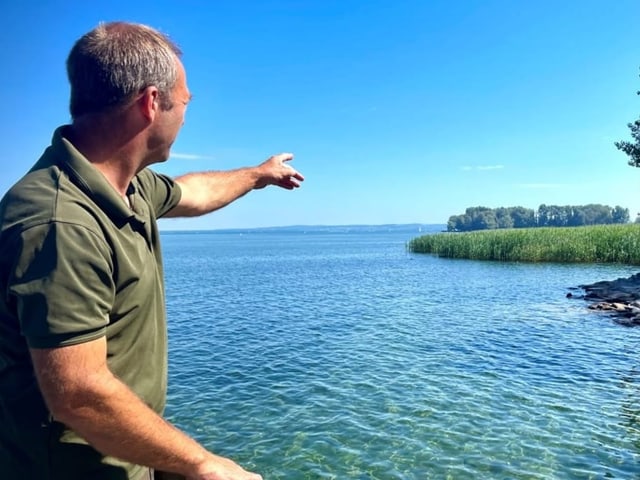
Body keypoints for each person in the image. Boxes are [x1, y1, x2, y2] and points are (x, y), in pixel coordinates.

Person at [0, 21, 304, 480]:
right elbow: (78, 392)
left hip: (121, 456)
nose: (185, 115)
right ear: (150, 103)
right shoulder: (60, 223)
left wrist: (259, 174)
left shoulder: (127, 186)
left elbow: (194, 192)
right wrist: (201, 464)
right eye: (184, 103)